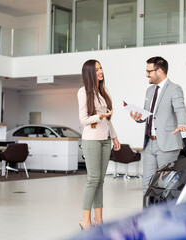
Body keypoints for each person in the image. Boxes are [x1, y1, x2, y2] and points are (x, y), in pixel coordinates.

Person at [130, 56, 186, 194]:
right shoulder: (150, 91)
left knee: (165, 184)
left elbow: (180, 108)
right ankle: (148, 214)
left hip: (167, 144)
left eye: (149, 71)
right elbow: (148, 115)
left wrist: (182, 123)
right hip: (150, 143)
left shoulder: (175, 89)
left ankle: (165, 214)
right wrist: (138, 118)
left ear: (160, 71)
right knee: (147, 184)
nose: (146, 74)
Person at [77, 59, 121, 230]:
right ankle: (85, 220)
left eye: (101, 68)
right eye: (96, 70)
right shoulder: (83, 92)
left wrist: (115, 137)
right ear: (89, 73)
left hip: (105, 139)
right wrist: (99, 117)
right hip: (91, 139)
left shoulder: (104, 91)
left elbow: (108, 119)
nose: (101, 71)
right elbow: (83, 120)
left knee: (100, 181)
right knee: (92, 179)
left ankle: (99, 220)